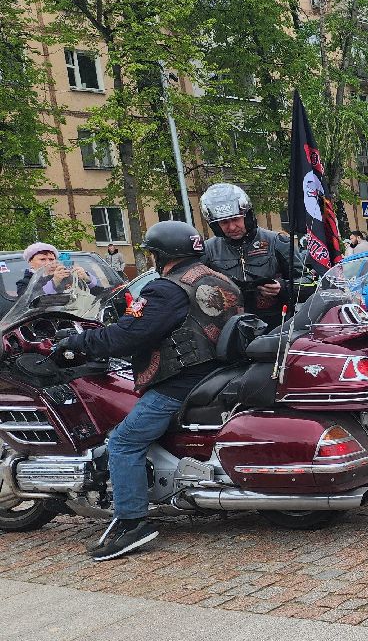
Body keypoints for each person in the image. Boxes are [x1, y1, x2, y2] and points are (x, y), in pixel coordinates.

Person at [51, 221, 241, 561]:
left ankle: (131, 522)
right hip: (217, 373)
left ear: (160, 254)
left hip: (181, 381)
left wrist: (77, 344)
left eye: (152, 253)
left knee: (123, 441)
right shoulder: (217, 279)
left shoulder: (166, 289)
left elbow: (129, 335)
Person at [199, 183, 299, 328]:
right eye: (224, 222)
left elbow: (310, 283)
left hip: (278, 327)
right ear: (215, 225)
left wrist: (282, 287)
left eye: (236, 219)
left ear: (247, 216)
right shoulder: (208, 250)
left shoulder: (277, 241)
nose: (232, 227)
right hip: (231, 329)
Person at [15, 243, 102, 298]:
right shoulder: (24, 283)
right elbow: (30, 301)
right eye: (42, 259)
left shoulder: (65, 276)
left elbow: (100, 295)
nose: (48, 263)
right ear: (31, 262)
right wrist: (54, 282)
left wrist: (87, 279)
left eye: (51, 259)